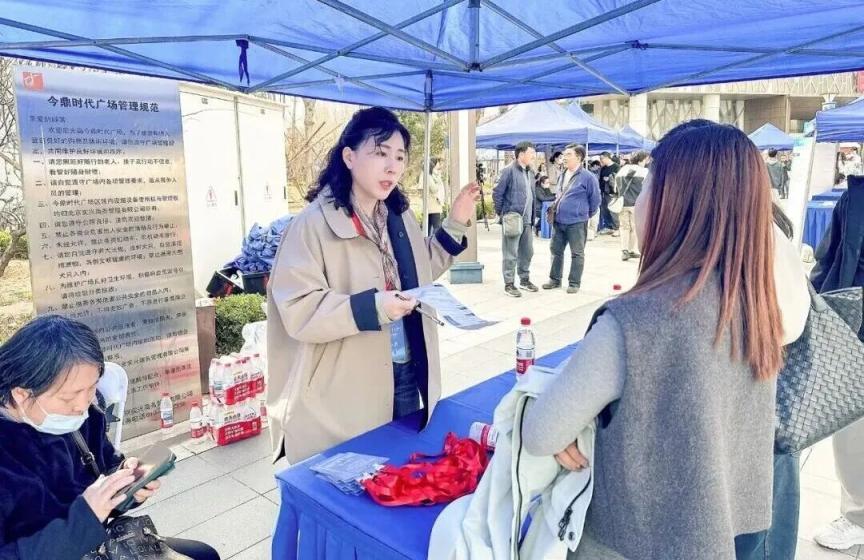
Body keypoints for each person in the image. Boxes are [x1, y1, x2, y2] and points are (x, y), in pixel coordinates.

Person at [523, 120, 808, 559]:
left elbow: (541, 433)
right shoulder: (754, 297)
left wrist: (571, 426)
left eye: (647, 187)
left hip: (631, 542)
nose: (638, 202)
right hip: (732, 522)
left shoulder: (637, 319)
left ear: (673, 202)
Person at [266, 107, 478, 463]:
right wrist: (375, 307)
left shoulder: (397, 216)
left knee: (398, 471)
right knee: (353, 480)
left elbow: (419, 272)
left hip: (405, 372)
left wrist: (455, 223)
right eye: (380, 153)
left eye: (400, 157)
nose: (392, 167)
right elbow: (299, 309)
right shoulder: (311, 226)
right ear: (349, 157)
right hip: (344, 390)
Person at [0, 315, 220, 560]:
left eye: (91, 387)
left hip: (94, 542)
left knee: (205, 554)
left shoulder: (83, 417)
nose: (82, 405)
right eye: (68, 397)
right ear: (21, 394)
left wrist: (124, 483)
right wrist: (85, 517)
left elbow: (103, 468)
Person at [809, 175, 864, 552]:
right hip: (855, 326)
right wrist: (814, 310)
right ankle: (858, 515)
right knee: (853, 427)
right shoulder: (855, 197)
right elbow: (828, 257)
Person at [542, 144, 600, 294]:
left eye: (568, 155)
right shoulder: (563, 174)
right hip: (559, 220)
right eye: (564, 154)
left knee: (577, 253)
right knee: (556, 251)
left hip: (577, 222)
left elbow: (595, 200)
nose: (564, 157)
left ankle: (574, 283)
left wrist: (583, 214)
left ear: (579, 158)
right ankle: (554, 279)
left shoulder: (588, 177)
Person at [492, 141, 538, 298]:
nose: (533, 156)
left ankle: (524, 280)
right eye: (531, 153)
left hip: (527, 220)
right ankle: (509, 283)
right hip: (512, 218)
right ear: (521, 154)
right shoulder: (508, 171)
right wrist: (502, 214)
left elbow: (532, 196)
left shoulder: (530, 172)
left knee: (528, 251)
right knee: (510, 253)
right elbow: (497, 193)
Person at [614, 151, 649, 261]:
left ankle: (624, 250)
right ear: (642, 159)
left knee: (624, 227)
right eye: (646, 159)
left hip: (622, 203)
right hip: (637, 204)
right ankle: (632, 249)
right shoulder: (644, 171)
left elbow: (615, 187)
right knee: (635, 227)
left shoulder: (623, 169)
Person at [597, 152, 620, 235]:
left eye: (602, 158)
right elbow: (600, 180)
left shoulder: (616, 167)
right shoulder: (603, 168)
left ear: (607, 158)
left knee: (613, 210)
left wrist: (610, 179)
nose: (601, 160)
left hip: (613, 193)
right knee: (605, 210)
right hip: (603, 192)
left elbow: (619, 179)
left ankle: (616, 228)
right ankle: (608, 226)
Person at [425, 156, 447, 235]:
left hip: (434, 205)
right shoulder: (430, 176)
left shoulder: (435, 175)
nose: (439, 165)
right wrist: (438, 183)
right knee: (436, 226)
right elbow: (434, 189)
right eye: (438, 163)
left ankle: (429, 240)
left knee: (430, 226)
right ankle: (435, 240)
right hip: (433, 205)